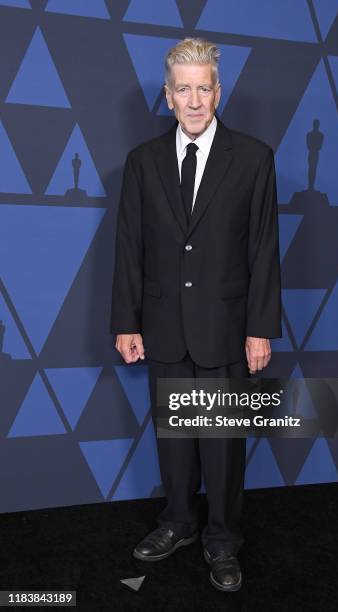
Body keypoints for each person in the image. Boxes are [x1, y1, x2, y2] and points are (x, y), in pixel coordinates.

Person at [110, 37, 282, 592]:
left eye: (202, 88)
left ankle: (223, 540)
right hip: (162, 326)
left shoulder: (254, 158)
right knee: (175, 439)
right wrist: (126, 321)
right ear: (167, 96)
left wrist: (259, 328)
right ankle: (179, 523)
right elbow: (129, 246)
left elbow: (263, 248)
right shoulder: (141, 163)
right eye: (182, 89)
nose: (193, 99)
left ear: (217, 92)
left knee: (222, 445)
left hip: (226, 328)